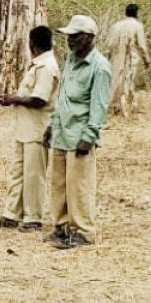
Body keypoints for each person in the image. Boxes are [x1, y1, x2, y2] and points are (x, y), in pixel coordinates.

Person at [45, 15, 112, 249]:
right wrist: (51, 125)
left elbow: (99, 105)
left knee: (80, 185)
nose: (70, 41)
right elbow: (62, 97)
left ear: (89, 38)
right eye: (68, 37)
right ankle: (61, 226)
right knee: (59, 184)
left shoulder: (100, 67)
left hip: (80, 135)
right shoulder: (71, 62)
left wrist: (89, 136)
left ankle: (83, 231)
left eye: (75, 37)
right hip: (63, 132)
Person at [0, 26, 61, 231]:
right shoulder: (39, 65)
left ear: (31, 45)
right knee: (18, 172)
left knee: (34, 175)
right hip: (25, 129)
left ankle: (33, 217)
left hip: (37, 129)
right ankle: (12, 214)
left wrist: (13, 99)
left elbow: (39, 99)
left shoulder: (46, 67)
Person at [105, 3, 151, 117]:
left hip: (116, 58)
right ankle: (127, 110)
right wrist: (147, 59)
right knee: (128, 82)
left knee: (116, 81)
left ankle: (114, 107)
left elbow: (109, 44)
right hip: (130, 58)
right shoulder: (137, 25)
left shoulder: (116, 25)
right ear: (137, 13)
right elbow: (141, 45)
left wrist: (108, 57)